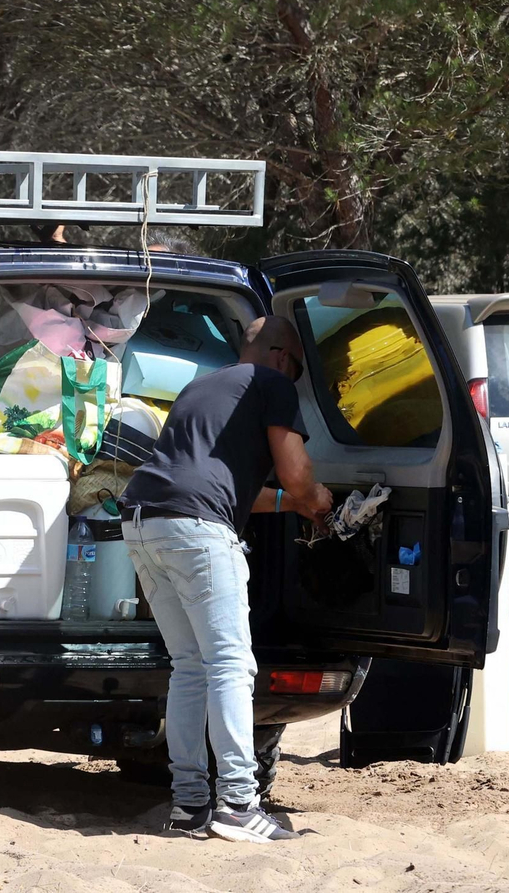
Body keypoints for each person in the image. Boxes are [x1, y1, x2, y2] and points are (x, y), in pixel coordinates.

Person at [119, 316, 333, 843]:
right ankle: (238, 802)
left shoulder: (201, 386)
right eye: (299, 372)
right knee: (231, 665)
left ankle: (190, 806)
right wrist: (317, 502)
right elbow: (295, 472)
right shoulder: (272, 384)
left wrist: (285, 505)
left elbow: (210, 476)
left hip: (143, 520)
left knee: (190, 666)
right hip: (196, 529)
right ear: (283, 357)